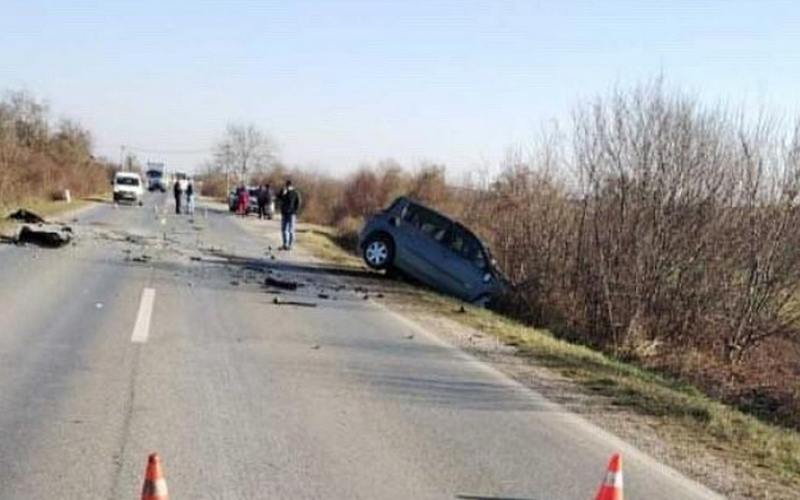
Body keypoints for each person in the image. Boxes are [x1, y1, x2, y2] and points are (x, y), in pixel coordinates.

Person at [276, 179, 300, 250]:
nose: (287, 187)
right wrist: (282, 192)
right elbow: (279, 197)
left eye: (288, 185)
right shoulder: (284, 192)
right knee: (284, 229)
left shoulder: (295, 193)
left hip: (291, 213)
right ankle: (285, 244)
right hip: (285, 213)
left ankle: (290, 245)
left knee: (290, 230)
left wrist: (295, 211)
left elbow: (298, 203)